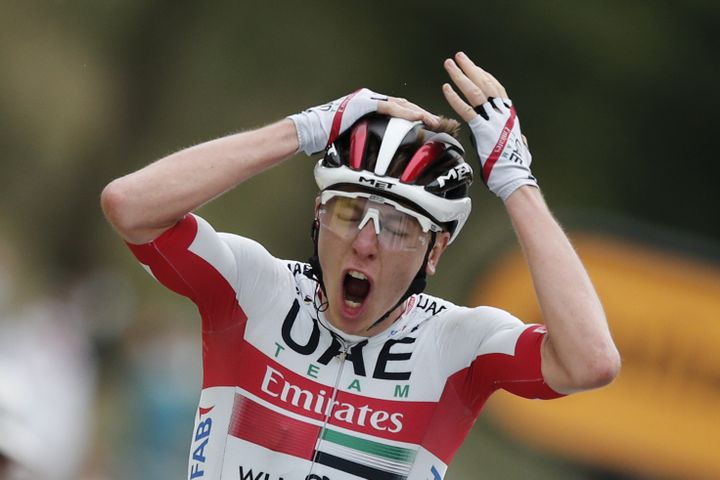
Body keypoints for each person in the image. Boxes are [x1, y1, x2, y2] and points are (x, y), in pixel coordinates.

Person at [101, 52, 620, 480]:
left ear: (435, 252)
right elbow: (131, 206)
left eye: (397, 227)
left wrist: (516, 182)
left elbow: (590, 361)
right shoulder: (256, 287)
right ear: (317, 216)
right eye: (348, 212)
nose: (365, 244)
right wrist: (304, 129)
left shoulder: (457, 345)